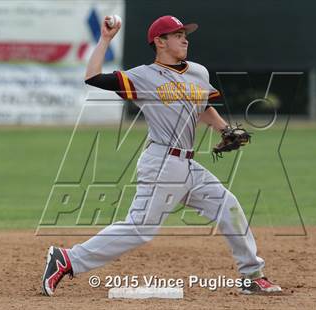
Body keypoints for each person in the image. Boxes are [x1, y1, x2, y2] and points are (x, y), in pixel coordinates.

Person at [41, 15, 282, 296]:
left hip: (188, 165)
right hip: (162, 163)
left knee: (228, 207)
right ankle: (68, 259)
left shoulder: (198, 72)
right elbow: (92, 76)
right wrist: (105, 39)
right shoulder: (143, 76)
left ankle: (252, 275)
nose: (185, 38)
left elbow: (202, 106)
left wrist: (224, 129)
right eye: (177, 34)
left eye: (185, 34)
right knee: (140, 229)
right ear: (160, 41)